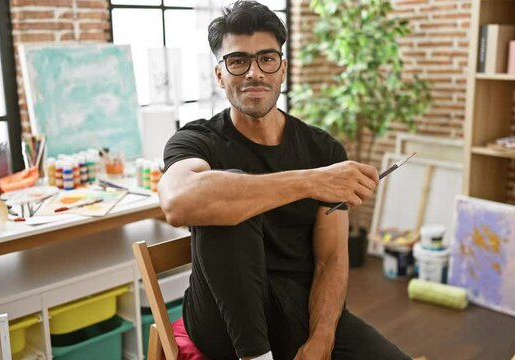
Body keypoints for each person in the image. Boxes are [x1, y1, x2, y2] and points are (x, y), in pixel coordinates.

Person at [158, 1, 411, 359]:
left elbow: (331, 259)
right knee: (224, 194)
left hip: (296, 307)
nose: (254, 73)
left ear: (283, 69)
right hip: (221, 315)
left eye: (267, 59)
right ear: (220, 75)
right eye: (237, 61)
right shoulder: (196, 140)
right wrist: (310, 182)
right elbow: (178, 201)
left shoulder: (322, 149)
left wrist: (322, 338)